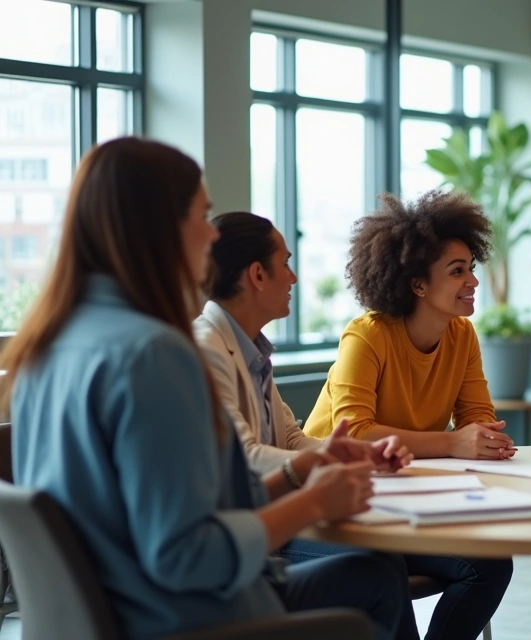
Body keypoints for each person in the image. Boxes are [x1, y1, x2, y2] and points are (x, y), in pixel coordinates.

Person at [0, 137, 411, 640]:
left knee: (370, 576)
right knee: (368, 590)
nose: (210, 237)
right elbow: (185, 555)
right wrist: (314, 505)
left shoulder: (47, 345)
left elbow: (167, 509)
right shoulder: (154, 354)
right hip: (185, 621)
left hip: (106, 619)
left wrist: (300, 471)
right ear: (158, 230)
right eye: (201, 215)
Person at [302, 190, 513, 636]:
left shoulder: (462, 336)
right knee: (384, 569)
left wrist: (484, 438)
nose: (472, 281)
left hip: (402, 501)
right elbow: (356, 432)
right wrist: (454, 442)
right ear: (418, 284)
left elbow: (478, 417)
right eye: (457, 272)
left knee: (490, 564)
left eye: (470, 269)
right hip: (329, 507)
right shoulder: (367, 336)